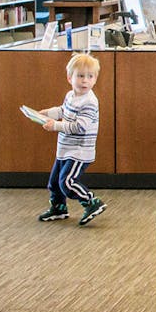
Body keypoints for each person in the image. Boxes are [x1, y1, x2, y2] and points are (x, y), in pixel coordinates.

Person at [35, 52, 108, 227]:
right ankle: (59, 207)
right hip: (65, 148)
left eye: (90, 77)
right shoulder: (71, 96)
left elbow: (79, 126)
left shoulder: (89, 102)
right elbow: (63, 110)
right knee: (54, 182)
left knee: (67, 182)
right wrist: (47, 113)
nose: (85, 81)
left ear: (95, 79)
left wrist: (56, 126)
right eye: (80, 76)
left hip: (79, 151)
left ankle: (91, 202)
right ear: (70, 78)